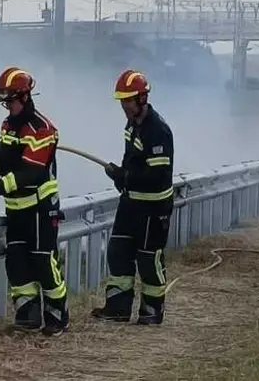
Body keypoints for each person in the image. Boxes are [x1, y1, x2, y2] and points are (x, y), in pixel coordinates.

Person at [0, 66, 69, 336]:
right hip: (16, 209)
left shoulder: (42, 129)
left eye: (9, 100)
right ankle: (28, 316)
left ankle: (57, 315)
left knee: (44, 262)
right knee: (17, 263)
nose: (6, 106)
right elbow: (8, 162)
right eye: (4, 101)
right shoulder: (8, 125)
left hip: (40, 208)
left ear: (23, 97)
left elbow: (30, 171)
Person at [91, 69, 175, 325]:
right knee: (118, 252)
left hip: (153, 207)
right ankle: (117, 307)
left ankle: (152, 311)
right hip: (130, 203)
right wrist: (121, 179)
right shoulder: (132, 125)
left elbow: (157, 176)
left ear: (142, 99)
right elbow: (134, 163)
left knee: (149, 259)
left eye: (128, 100)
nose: (124, 106)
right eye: (122, 101)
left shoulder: (158, 131)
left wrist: (124, 176)